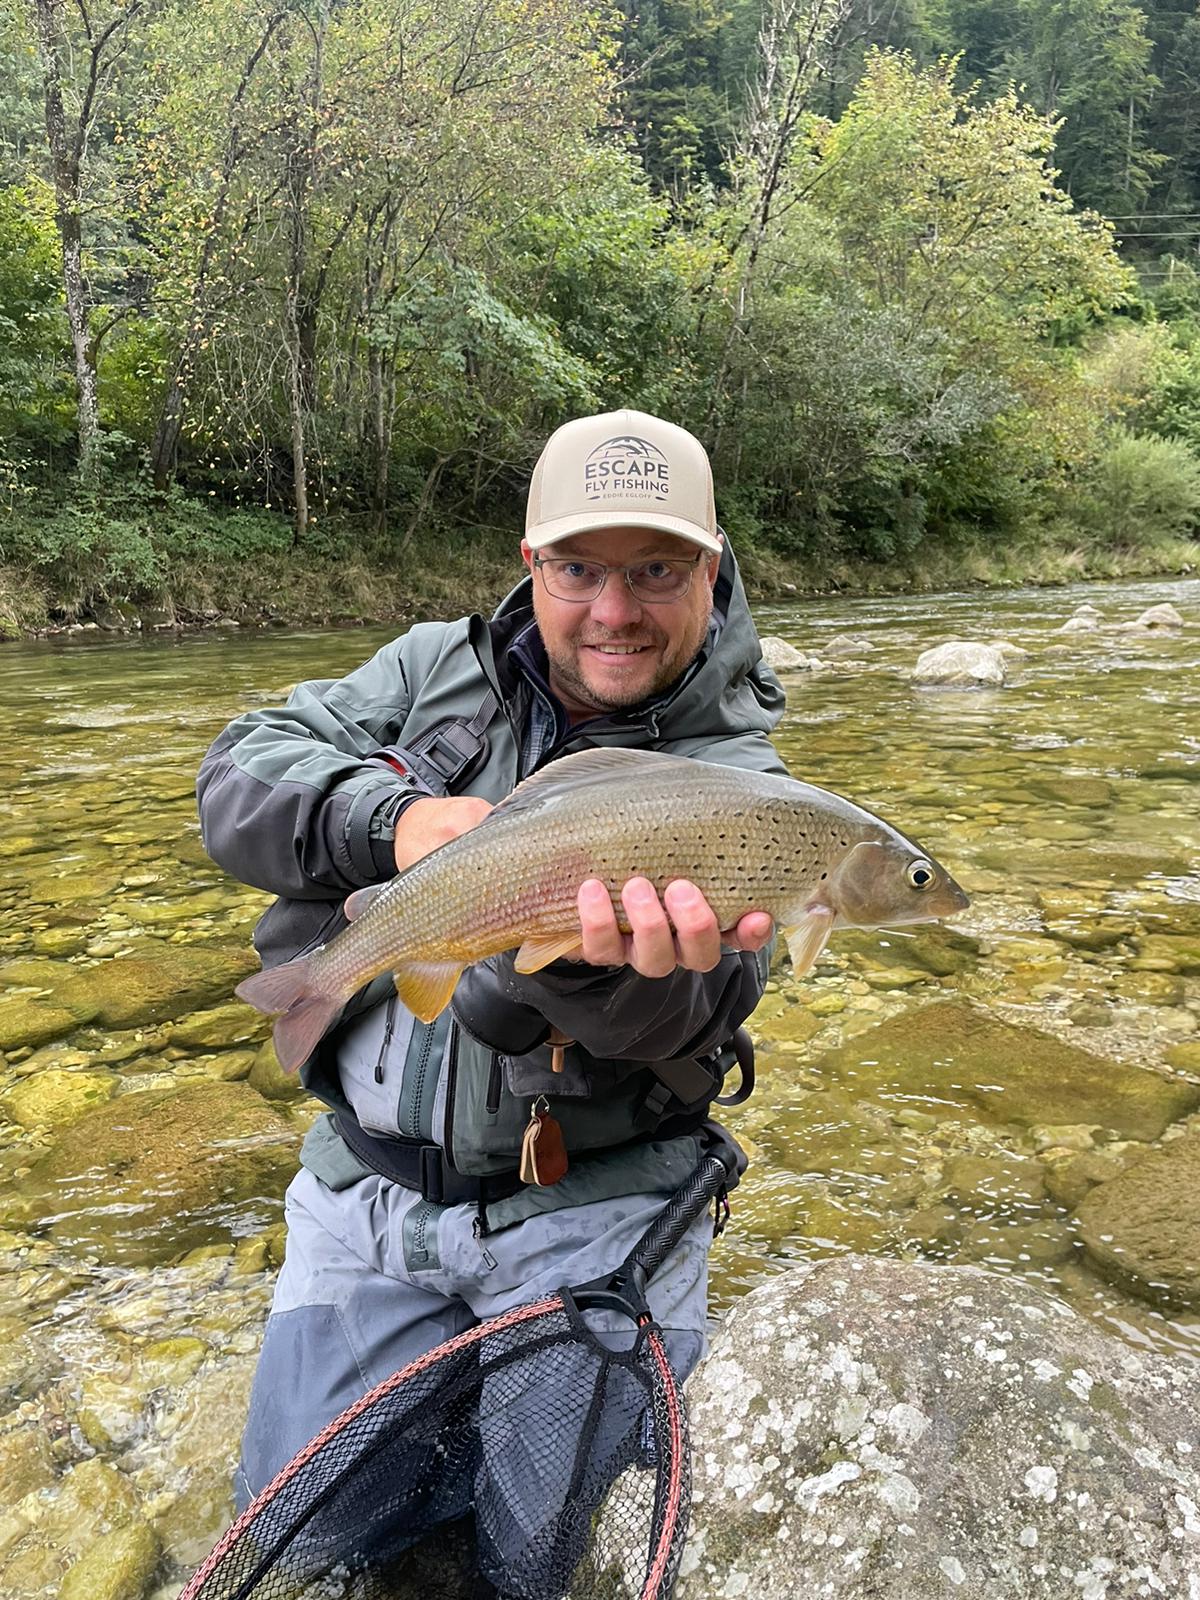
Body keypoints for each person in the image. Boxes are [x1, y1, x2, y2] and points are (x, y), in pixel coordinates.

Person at [196, 408, 787, 1549]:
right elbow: (236, 775)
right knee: (303, 1542)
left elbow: (711, 1003)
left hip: (596, 1211)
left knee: (555, 1552)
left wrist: (580, 975)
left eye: (656, 570)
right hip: (367, 1199)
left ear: (710, 572)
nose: (614, 610)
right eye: (579, 569)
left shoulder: (740, 780)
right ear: (532, 564)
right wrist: (393, 822)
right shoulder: (430, 670)